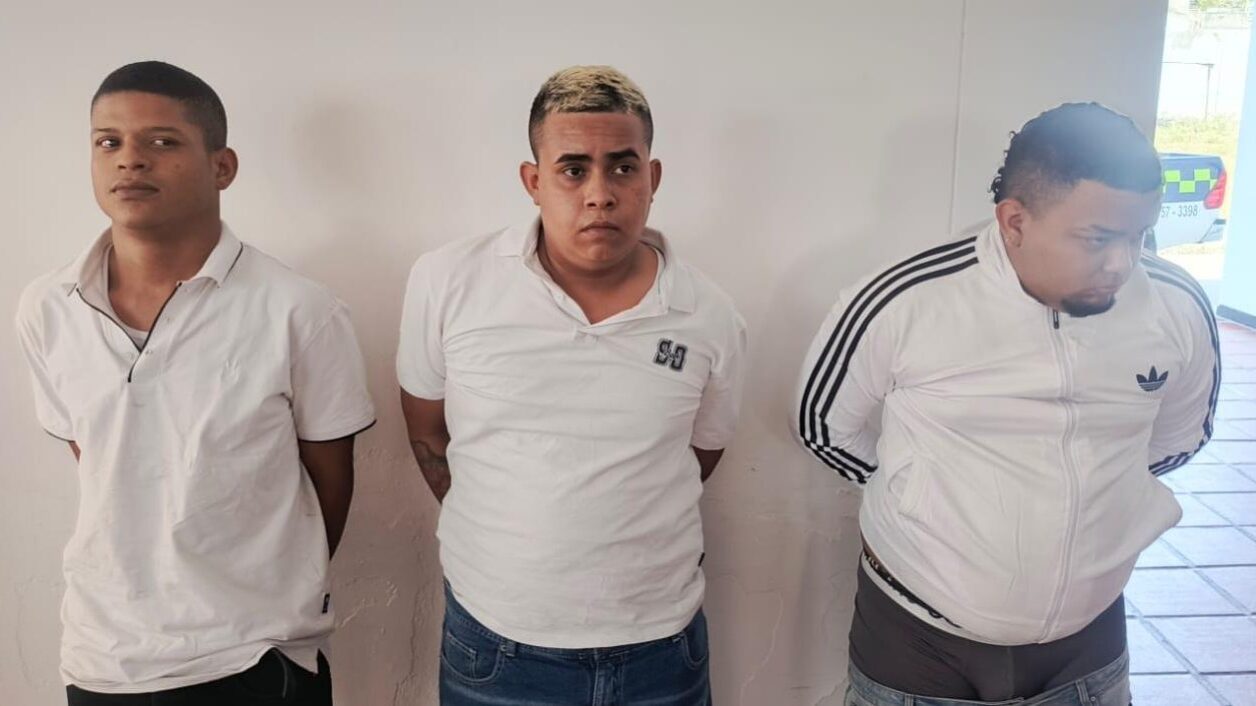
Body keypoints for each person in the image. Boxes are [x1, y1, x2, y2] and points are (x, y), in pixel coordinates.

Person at [794, 103, 1219, 705]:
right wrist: (921, 493)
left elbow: (1179, 439)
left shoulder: (1175, 304)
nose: (1123, 264)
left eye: (1139, 235)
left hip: (1091, 640)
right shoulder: (906, 299)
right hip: (918, 641)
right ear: (1015, 220)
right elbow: (822, 426)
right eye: (1098, 239)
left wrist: (1092, 496)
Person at [15, 60, 376, 705]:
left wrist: (267, 590)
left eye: (162, 141)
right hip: (102, 659)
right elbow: (100, 459)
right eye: (108, 142)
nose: (130, 159)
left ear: (222, 167)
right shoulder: (46, 307)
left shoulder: (299, 310)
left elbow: (330, 482)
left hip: (257, 658)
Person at [397, 65, 747, 705]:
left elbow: (700, 452)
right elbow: (426, 428)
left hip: (660, 649)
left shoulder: (709, 314)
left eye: (622, 167)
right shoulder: (449, 282)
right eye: (573, 169)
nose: (599, 194)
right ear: (533, 181)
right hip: (496, 644)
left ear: (652, 177)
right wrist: (513, 541)